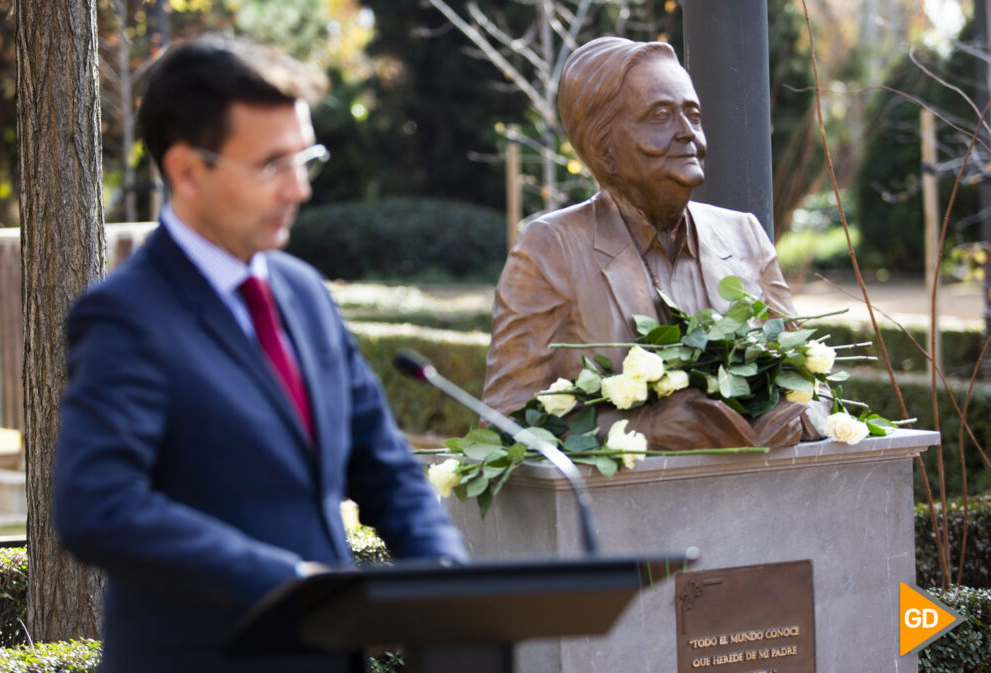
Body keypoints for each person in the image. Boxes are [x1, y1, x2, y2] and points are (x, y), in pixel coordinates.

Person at [54, 36, 467, 673]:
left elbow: (384, 467)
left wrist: (443, 574)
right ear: (189, 171)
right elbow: (98, 507)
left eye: (306, 159)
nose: (300, 189)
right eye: (274, 165)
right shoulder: (126, 316)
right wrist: (283, 580)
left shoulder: (303, 292)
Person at [483, 37, 823, 449]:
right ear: (603, 146)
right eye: (659, 116)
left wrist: (794, 417)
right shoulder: (551, 248)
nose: (687, 134)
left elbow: (812, 387)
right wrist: (646, 431)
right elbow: (505, 418)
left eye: (693, 115)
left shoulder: (745, 236)